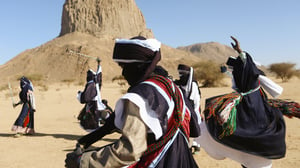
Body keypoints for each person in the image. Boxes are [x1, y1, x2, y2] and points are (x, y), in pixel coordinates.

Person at [65, 36, 201, 168]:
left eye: (125, 66)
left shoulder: (140, 97)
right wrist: (88, 140)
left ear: (138, 66)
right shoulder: (170, 86)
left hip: (162, 161)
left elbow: (130, 150)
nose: (123, 73)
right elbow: (193, 126)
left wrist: (83, 161)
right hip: (182, 158)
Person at [199, 36, 289, 168]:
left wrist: (241, 52)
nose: (233, 73)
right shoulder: (245, 84)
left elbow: (247, 69)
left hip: (254, 105)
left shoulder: (251, 80)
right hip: (250, 104)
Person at [77, 60, 112, 131]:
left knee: (96, 116)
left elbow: (85, 98)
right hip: (96, 105)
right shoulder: (94, 83)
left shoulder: (91, 84)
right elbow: (99, 76)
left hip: (94, 105)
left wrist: (80, 94)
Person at [174, 64, 202, 153]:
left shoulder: (193, 84)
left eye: (182, 73)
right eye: (179, 73)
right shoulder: (181, 82)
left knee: (195, 127)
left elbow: (193, 99)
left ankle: (196, 146)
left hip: (193, 109)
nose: (180, 75)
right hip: (185, 108)